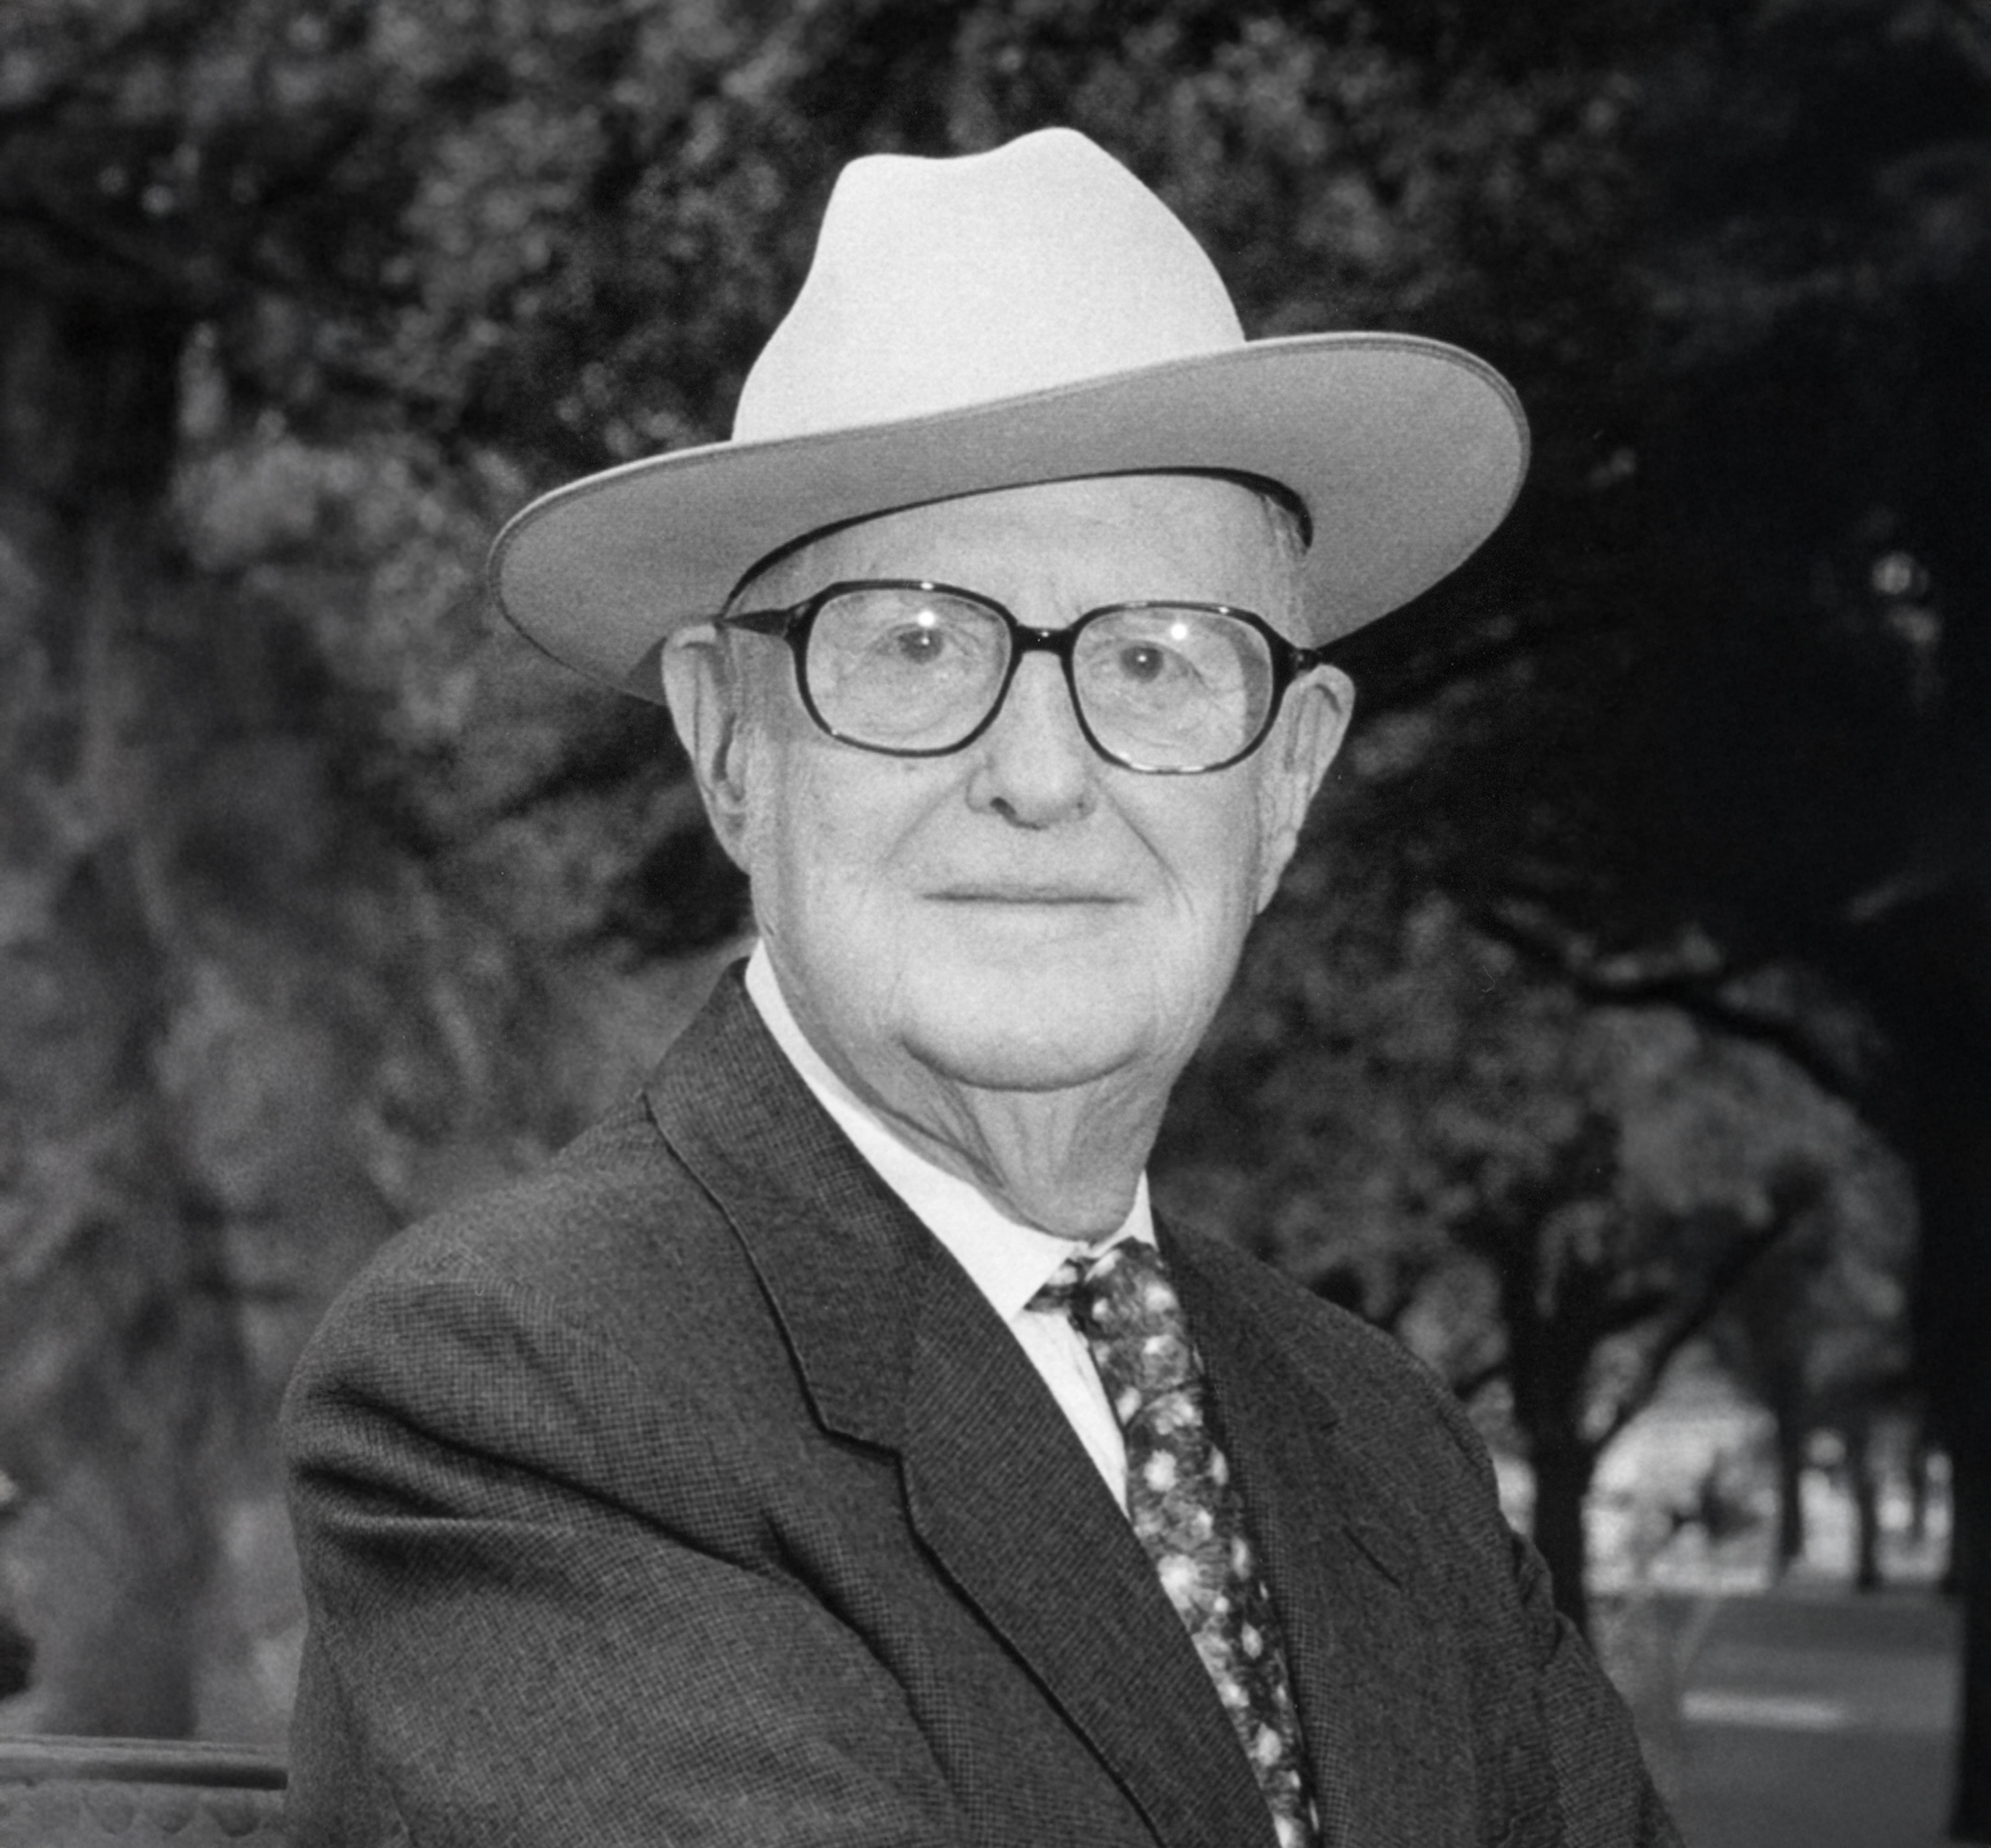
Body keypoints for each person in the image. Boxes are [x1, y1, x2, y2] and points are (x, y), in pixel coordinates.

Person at [282, 128, 1680, 1848]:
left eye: (1157, 660)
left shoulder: (1386, 1440)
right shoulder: (516, 1391)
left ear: (1286, 781)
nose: (1036, 772)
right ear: (730, 744)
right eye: (917, 646)